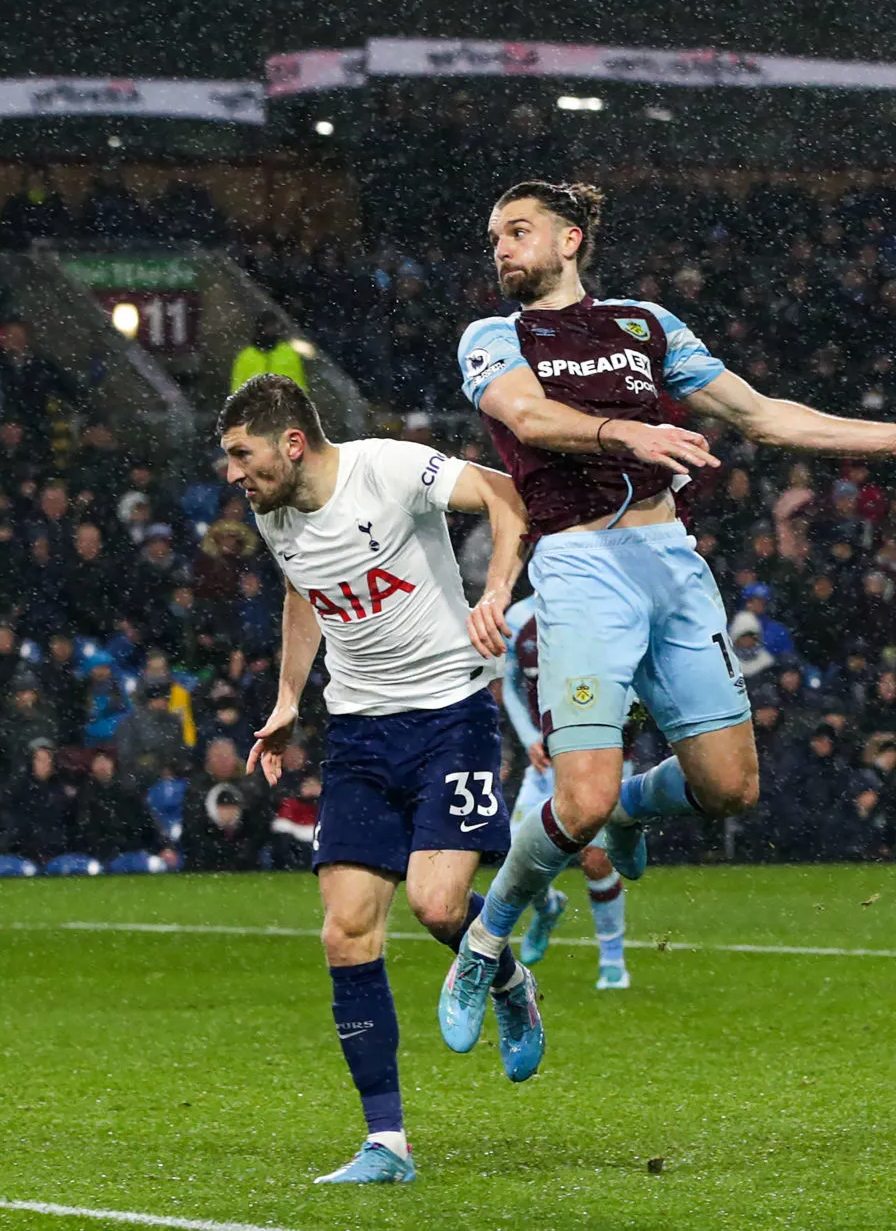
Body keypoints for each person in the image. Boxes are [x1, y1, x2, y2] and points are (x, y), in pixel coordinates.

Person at [442, 180, 896, 1042]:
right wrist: (628, 434)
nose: (501, 248)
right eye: (494, 235)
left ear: (570, 239)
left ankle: (631, 810)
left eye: (518, 232)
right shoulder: (495, 336)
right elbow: (526, 416)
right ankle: (486, 937)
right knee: (574, 802)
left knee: (728, 789)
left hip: (669, 561)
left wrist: (891, 438)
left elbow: (761, 415)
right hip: (580, 567)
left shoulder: (644, 327)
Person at [218, 374, 534, 1185]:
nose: (233, 475)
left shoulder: (389, 469)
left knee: (435, 908)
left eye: (241, 455)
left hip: (449, 718)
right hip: (358, 733)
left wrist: (496, 590)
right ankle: (385, 1143)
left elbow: (505, 493)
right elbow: (301, 586)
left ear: (291, 443)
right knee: (345, 930)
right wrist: (289, 695)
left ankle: (503, 974)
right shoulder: (271, 509)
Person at [497, 598, 629, 989]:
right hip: (546, 758)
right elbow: (509, 684)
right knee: (515, 850)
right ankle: (548, 905)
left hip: (600, 754)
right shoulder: (518, 619)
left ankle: (613, 961)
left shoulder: (605, 605)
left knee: (594, 857)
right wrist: (530, 739)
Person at [230, 312, 308, 394]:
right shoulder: (246, 356)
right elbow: (237, 388)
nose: (269, 330)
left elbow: (299, 383)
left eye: (272, 326)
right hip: (256, 404)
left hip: (283, 404)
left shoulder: (288, 353)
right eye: (266, 327)